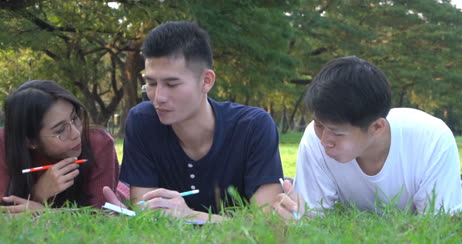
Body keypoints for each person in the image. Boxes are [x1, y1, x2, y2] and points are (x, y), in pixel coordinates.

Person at [104, 21, 283, 222]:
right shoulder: (142, 121)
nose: (159, 97)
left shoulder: (253, 127)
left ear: (206, 80)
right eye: (151, 83)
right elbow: (148, 212)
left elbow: (268, 222)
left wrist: (190, 216)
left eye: (172, 84)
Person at [273, 56, 462, 220]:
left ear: (376, 127)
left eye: (337, 133)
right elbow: (311, 218)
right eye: (318, 124)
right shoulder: (314, 139)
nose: (324, 141)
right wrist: (295, 215)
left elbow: (438, 226)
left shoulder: (431, 138)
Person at [0, 80, 127, 214]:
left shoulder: (98, 142)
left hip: (124, 189)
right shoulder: (4, 147)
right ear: (31, 141)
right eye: (60, 130)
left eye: (74, 118)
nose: (76, 133)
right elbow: (7, 211)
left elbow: (99, 214)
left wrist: (46, 213)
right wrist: (39, 193)